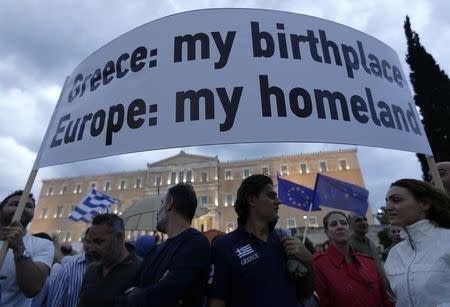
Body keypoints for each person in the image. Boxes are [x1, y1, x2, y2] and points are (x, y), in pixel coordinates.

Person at [208, 174, 315, 307]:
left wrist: (308, 261)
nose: (278, 202)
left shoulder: (286, 242)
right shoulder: (224, 246)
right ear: (252, 200)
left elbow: (305, 294)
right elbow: (216, 301)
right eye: (271, 196)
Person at [125, 183, 210, 307]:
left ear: (169, 203)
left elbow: (166, 295)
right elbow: (131, 287)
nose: (157, 212)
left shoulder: (196, 243)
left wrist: (137, 294)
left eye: (161, 204)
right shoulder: (155, 250)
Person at [385, 178, 450, 306]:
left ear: (424, 204)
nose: (388, 207)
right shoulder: (394, 254)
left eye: (396, 200)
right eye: (387, 202)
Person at [314, 211, 393, 306]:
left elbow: (384, 298)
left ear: (349, 228)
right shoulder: (319, 265)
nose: (340, 227)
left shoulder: (368, 262)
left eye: (344, 223)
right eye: (334, 224)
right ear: (327, 232)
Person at [0, 190, 54, 307]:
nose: (22, 208)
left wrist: (19, 247)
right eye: (15, 204)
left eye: (28, 206)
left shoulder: (43, 244)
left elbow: (33, 289)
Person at [78, 214, 141, 306]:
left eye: (99, 242)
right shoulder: (91, 270)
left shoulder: (141, 270)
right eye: (89, 242)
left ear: (119, 237)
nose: (91, 249)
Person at [47, 228, 98, 307]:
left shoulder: (112, 270)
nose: (91, 246)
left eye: (97, 242)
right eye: (88, 241)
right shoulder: (68, 268)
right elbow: (54, 303)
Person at [347, 212, 392, 294]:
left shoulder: (370, 242)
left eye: (365, 219)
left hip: (385, 290)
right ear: (350, 225)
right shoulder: (349, 245)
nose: (363, 222)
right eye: (358, 220)